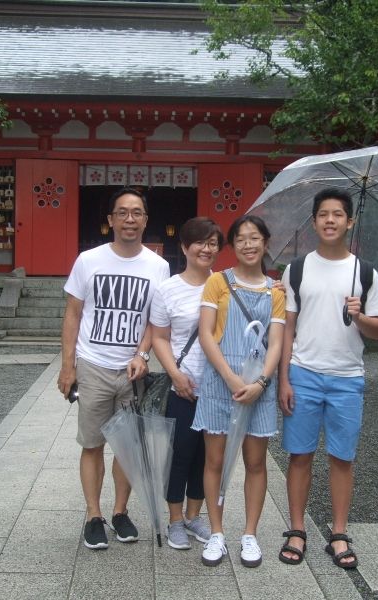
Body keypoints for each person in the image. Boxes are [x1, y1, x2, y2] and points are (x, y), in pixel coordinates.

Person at [277, 188, 378, 569]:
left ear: (350, 221)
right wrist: (284, 378)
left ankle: (339, 533)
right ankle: (295, 529)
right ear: (314, 221)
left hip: (347, 377)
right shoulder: (298, 269)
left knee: (342, 457)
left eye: (338, 214)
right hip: (303, 373)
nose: (330, 220)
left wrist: (359, 314)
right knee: (299, 455)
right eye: (323, 214)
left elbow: (377, 332)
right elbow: (287, 327)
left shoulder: (366, 273)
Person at [58, 187, 170, 550]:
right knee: (92, 444)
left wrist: (143, 354)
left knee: (128, 447)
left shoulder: (158, 266)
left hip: (131, 371)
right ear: (110, 220)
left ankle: (121, 512)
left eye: (137, 213)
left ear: (146, 220)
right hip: (93, 366)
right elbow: (73, 314)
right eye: (122, 213)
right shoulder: (88, 261)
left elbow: (157, 321)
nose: (129, 219)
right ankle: (94, 515)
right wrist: (67, 366)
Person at [192, 214, 285, 568]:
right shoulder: (217, 282)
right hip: (220, 382)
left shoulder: (274, 290)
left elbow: (276, 342)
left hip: (259, 385)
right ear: (233, 245)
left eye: (255, 237)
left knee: (255, 462)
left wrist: (261, 382)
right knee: (214, 460)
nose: (248, 244)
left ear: (265, 242)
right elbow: (205, 334)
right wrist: (232, 379)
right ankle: (216, 533)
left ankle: (249, 534)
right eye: (241, 238)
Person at [150, 217, 224, 550]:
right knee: (180, 453)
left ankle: (195, 517)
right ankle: (175, 520)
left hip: (216, 386)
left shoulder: (224, 285)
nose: (206, 249)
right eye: (200, 242)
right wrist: (175, 374)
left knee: (207, 458)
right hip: (183, 385)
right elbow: (160, 337)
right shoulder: (167, 289)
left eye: (212, 243)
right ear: (184, 247)